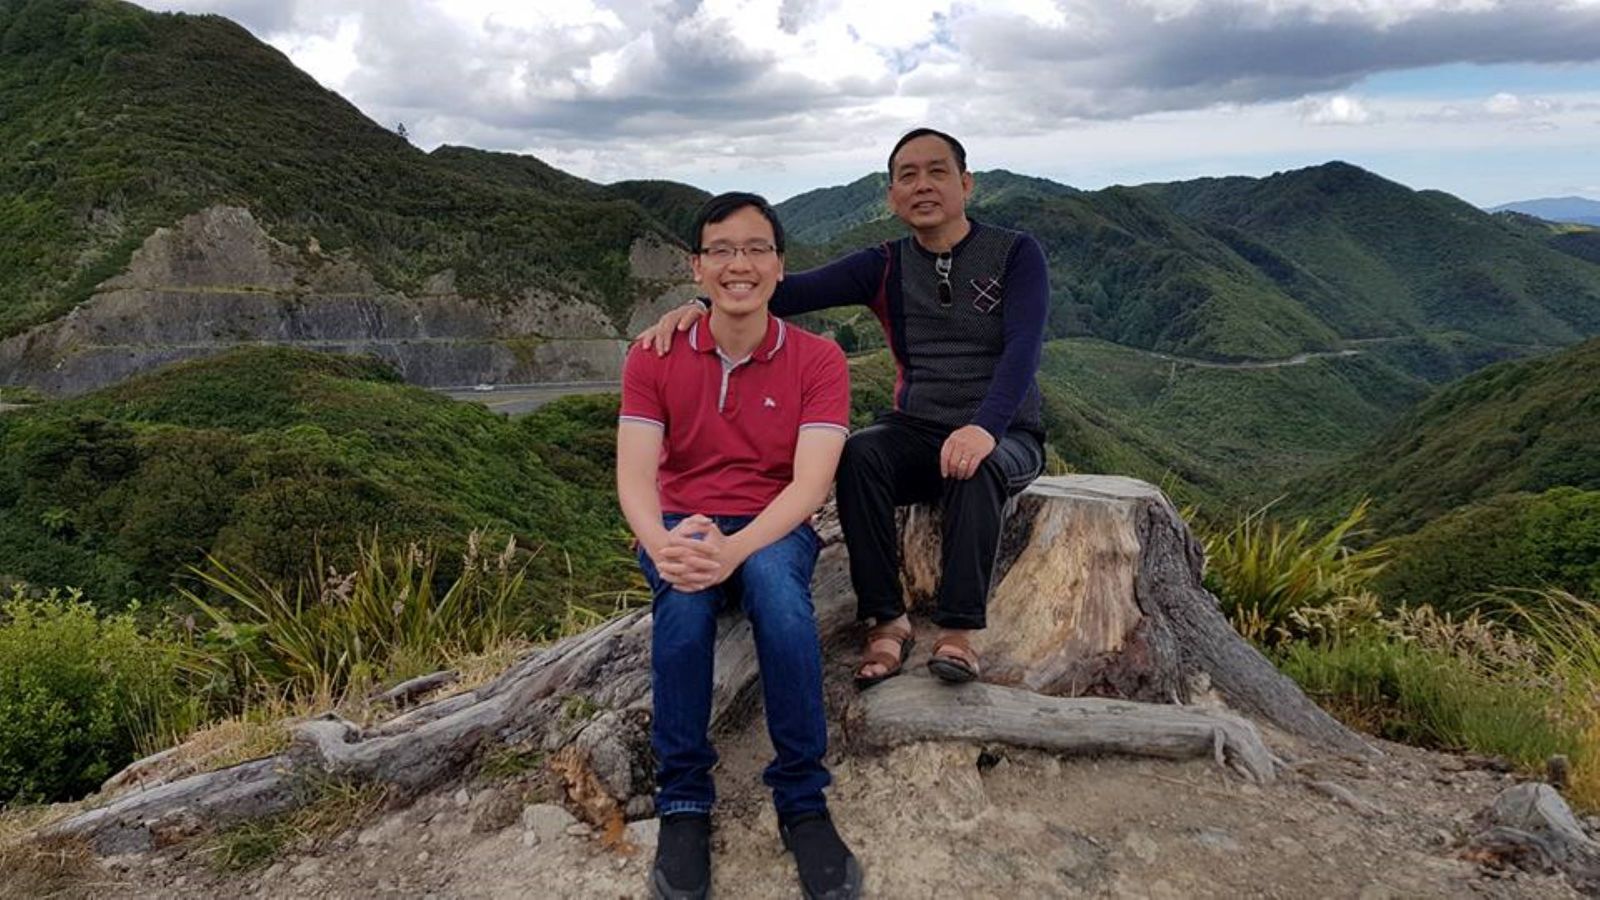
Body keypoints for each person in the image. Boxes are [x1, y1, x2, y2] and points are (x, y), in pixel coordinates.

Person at [638, 128, 1048, 689]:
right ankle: (887, 619)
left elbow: (1023, 350)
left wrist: (984, 427)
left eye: (937, 172)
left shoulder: (1016, 253)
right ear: (891, 196)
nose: (922, 185)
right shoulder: (885, 265)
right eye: (907, 175)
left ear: (966, 184)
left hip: (1005, 430)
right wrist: (697, 303)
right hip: (918, 426)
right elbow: (781, 290)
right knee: (859, 454)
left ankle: (958, 631)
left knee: (976, 466)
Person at [616, 192, 863, 900]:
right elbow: (634, 476)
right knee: (685, 612)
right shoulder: (654, 355)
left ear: (780, 267)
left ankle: (803, 799)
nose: (739, 264)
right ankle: (685, 802)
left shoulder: (819, 360)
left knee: (782, 602)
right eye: (721, 250)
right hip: (680, 519)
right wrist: (663, 543)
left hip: (770, 522)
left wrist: (737, 549)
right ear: (697, 268)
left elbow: (809, 485)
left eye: (756, 249)